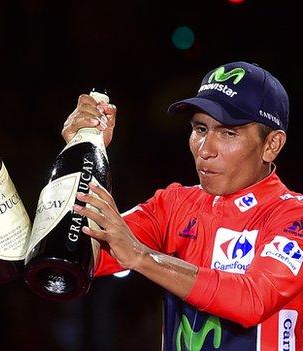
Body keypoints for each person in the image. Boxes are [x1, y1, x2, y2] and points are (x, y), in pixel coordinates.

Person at [64, 61, 303, 350]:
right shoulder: (173, 204)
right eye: (201, 128)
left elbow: (252, 299)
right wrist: (83, 150)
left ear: (272, 145)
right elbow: (72, 253)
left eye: (228, 133)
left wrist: (142, 257)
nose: (205, 150)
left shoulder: (292, 215)